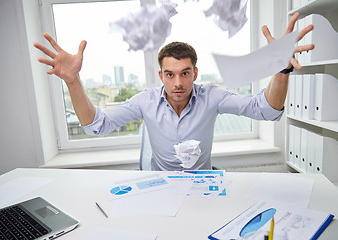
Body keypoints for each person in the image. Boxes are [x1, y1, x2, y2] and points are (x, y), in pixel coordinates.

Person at [34, 12, 314, 171]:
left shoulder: (212, 97)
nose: (177, 83)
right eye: (170, 75)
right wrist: (72, 80)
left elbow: (266, 110)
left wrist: (281, 68)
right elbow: (96, 125)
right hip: (161, 187)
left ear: (195, 73)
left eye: (184, 74)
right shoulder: (145, 101)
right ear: (161, 76)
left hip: (204, 184)